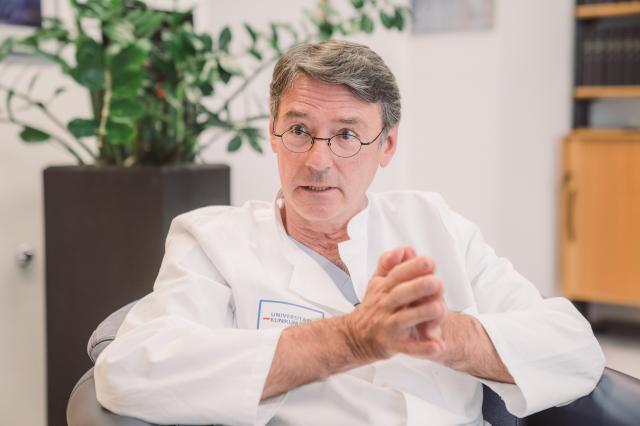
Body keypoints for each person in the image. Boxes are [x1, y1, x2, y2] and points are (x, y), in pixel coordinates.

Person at [94, 40, 605, 426]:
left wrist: (444, 333)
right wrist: (351, 340)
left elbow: (572, 347)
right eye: (300, 130)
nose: (318, 160)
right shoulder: (213, 241)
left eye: (346, 135)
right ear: (273, 133)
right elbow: (130, 372)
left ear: (387, 145)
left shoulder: (434, 223)